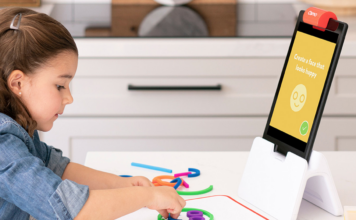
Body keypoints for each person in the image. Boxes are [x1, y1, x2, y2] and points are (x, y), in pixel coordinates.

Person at [0, 7, 185, 220]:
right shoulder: (3, 146)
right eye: (60, 86)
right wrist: (146, 196)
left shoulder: (18, 124)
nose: (69, 98)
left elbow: (55, 167)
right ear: (18, 83)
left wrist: (121, 184)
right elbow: (69, 209)